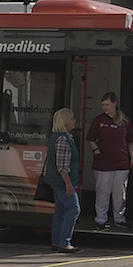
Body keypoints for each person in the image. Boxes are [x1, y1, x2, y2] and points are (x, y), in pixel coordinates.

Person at [86, 92, 133, 230]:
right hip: (102, 163)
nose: (105, 107)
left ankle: (119, 218)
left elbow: (130, 141)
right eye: (103, 105)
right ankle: (100, 219)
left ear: (115, 104)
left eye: (107, 104)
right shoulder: (98, 120)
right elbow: (90, 138)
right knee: (103, 191)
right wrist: (96, 150)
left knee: (120, 193)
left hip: (121, 162)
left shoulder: (124, 120)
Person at [44, 108, 81, 253]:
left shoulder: (57, 137)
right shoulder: (63, 139)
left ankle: (56, 241)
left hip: (55, 181)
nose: (74, 121)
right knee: (73, 209)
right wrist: (69, 185)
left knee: (60, 210)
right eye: (71, 119)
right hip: (62, 182)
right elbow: (62, 166)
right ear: (65, 122)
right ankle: (64, 242)